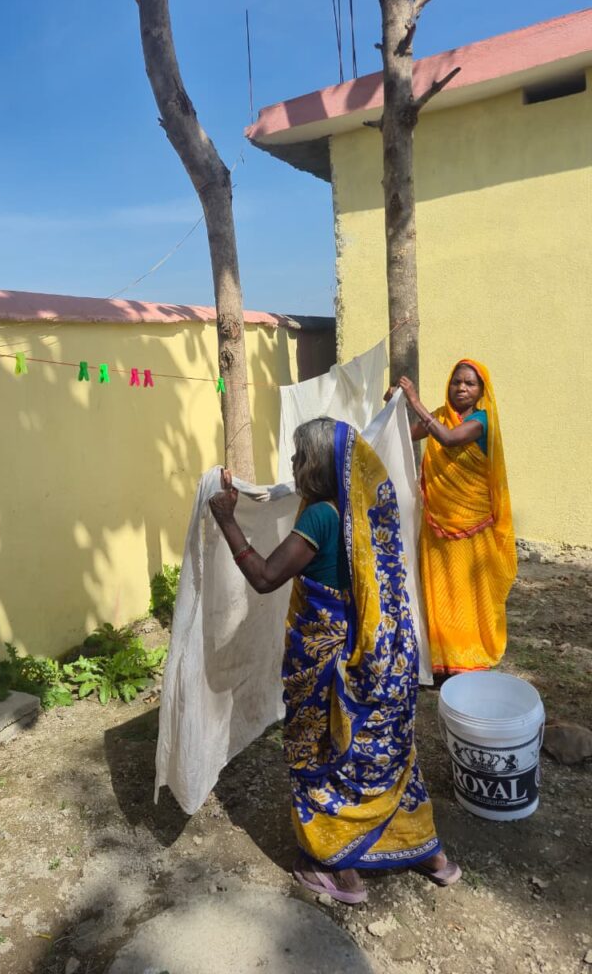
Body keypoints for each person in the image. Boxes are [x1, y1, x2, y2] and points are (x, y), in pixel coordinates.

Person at [208, 417, 460, 905]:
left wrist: (227, 520)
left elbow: (264, 578)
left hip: (329, 665)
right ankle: (430, 855)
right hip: (380, 662)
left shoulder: (320, 517)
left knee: (321, 753)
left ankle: (340, 870)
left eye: (300, 456)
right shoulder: (366, 510)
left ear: (320, 467)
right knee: (385, 757)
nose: (293, 463)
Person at [396, 360, 517, 675]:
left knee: (466, 591)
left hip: (471, 523)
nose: (461, 388)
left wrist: (414, 401)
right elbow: (405, 435)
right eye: (456, 382)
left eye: (469, 384)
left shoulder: (481, 421)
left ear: (480, 391)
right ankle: (442, 657)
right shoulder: (438, 416)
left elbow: (448, 439)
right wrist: (392, 407)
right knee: (439, 588)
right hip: (436, 518)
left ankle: (470, 655)